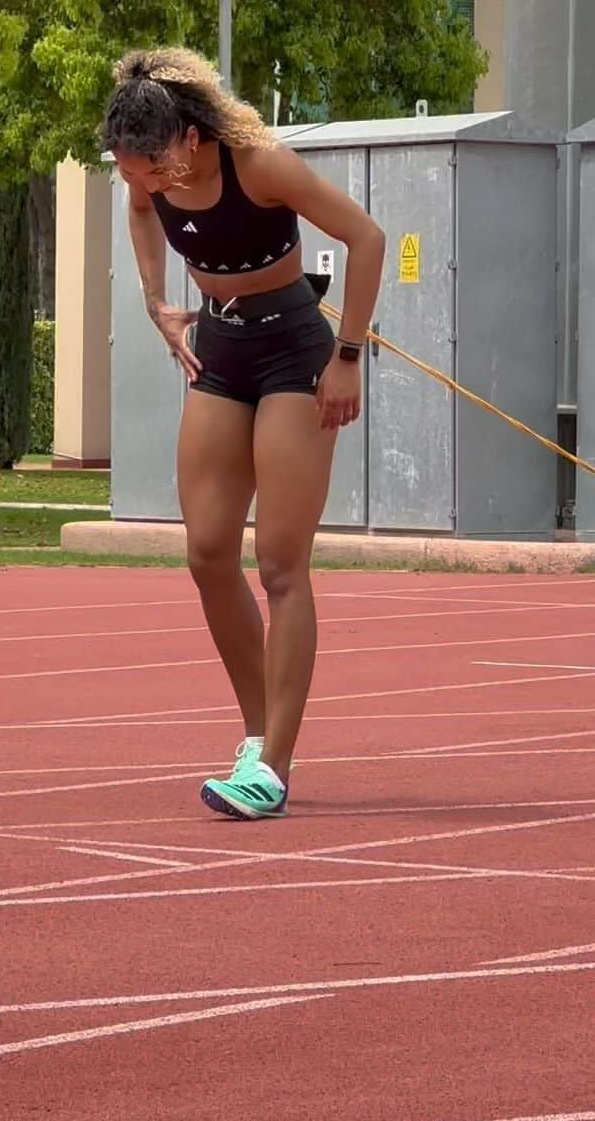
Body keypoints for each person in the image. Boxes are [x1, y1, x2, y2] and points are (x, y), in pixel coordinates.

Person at [103, 47, 385, 820]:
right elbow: (138, 214)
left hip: (297, 352)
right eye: (132, 172)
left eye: (155, 171)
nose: (146, 186)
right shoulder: (142, 177)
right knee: (207, 552)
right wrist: (157, 300)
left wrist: (348, 357)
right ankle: (257, 738)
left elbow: (367, 238)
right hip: (222, 350)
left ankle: (275, 769)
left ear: (190, 139)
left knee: (282, 562)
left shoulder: (261, 166)